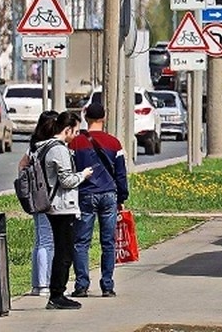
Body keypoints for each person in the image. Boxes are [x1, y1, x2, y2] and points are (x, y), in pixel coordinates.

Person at [70, 102, 129, 298]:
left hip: (85, 195)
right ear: (104, 118)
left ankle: (81, 285)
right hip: (109, 195)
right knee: (108, 242)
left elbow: (71, 170)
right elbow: (120, 174)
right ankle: (107, 285)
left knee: (81, 242)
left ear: (86, 118)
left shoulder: (76, 143)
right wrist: (122, 197)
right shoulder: (114, 143)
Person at [41, 111, 94, 310]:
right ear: (67, 129)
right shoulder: (59, 149)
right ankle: (57, 295)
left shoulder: (45, 146)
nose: (77, 135)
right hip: (61, 207)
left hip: (55, 205)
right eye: (76, 131)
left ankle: (57, 293)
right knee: (64, 253)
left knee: (63, 251)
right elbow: (66, 180)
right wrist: (83, 175)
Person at [17, 110, 59, 297]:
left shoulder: (33, 146)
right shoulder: (50, 147)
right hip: (47, 198)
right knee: (47, 241)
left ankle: (37, 284)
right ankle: (43, 283)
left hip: (35, 196)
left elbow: (21, 167)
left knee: (40, 240)